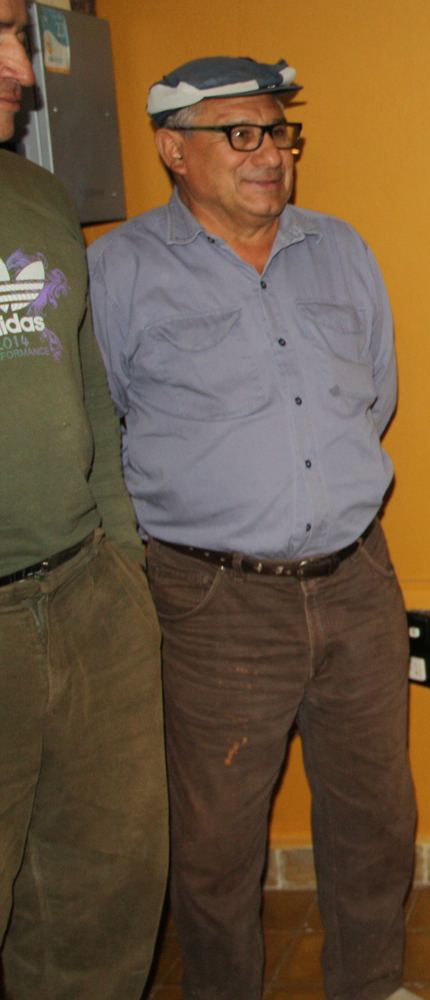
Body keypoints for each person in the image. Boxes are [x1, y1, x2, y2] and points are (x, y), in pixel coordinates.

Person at [87, 58, 421, 1000]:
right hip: (213, 600)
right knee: (215, 845)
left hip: (357, 581)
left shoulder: (341, 248)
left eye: (279, 133)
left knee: (375, 820)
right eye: (241, 135)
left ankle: (370, 984)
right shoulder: (118, 270)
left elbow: (376, 399)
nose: (269, 154)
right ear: (173, 151)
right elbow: (99, 424)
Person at [0, 1, 168, 994]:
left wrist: (123, 563)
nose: (21, 64)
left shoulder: (38, 193)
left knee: (101, 909)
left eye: (21, 31)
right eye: (3, 29)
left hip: (86, 595)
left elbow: (90, 387)